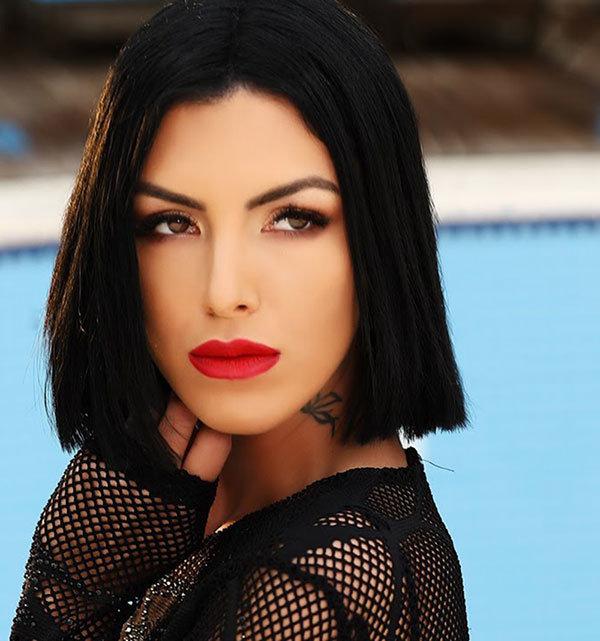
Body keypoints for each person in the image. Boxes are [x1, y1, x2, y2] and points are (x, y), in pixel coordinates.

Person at [10, 0, 472, 639]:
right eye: (173, 223)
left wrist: (67, 594)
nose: (225, 293)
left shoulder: (317, 589)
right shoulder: (238, 516)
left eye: (294, 219)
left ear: (381, 238)